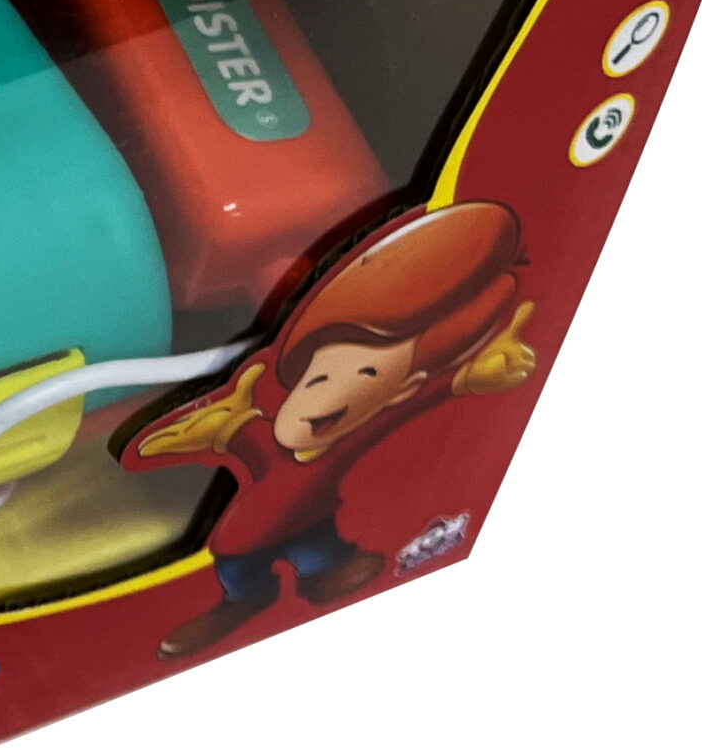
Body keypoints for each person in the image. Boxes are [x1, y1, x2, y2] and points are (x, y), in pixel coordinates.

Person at [128, 201, 537, 660]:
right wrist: (210, 427)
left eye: (368, 376)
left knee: (321, 552)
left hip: (313, 524)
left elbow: (412, 409)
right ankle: (242, 602)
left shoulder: (354, 434)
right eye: (317, 380)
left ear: (401, 390)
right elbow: (226, 433)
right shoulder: (264, 437)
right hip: (241, 541)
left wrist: (465, 379)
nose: (325, 397)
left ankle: (325, 574)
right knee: (241, 574)